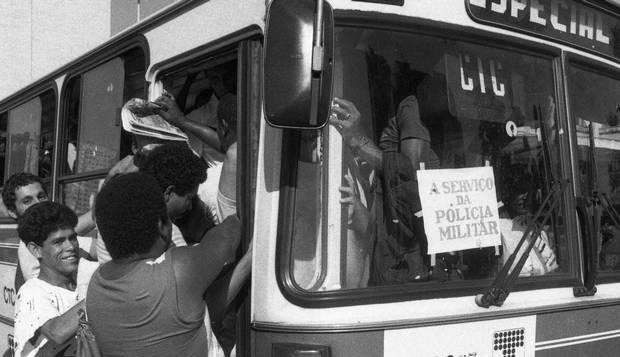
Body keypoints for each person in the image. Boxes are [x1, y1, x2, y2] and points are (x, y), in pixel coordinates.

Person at [87, 172, 250, 357]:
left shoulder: (95, 286)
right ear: (161, 226)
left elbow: (188, 314)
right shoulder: (178, 270)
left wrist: (246, 263)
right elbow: (229, 233)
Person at [13, 202, 97, 357]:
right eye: (58, 242)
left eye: (72, 238)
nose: (70, 247)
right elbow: (58, 332)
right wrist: (103, 291)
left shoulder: (84, 280)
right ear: (36, 250)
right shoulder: (31, 291)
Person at [2, 173, 97, 284]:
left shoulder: (55, 239)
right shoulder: (37, 244)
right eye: (27, 201)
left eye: (41, 196)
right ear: (13, 212)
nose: (38, 204)